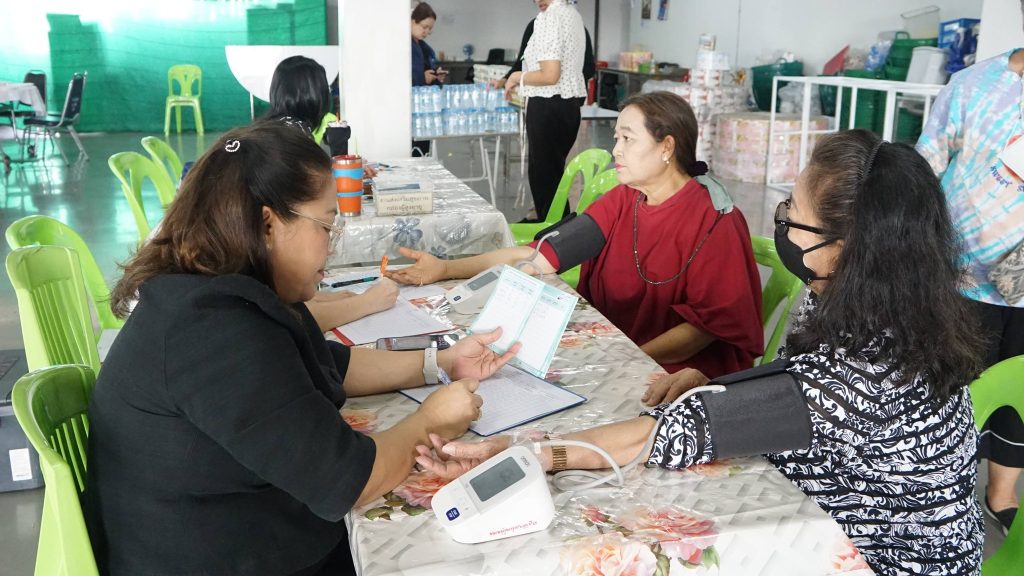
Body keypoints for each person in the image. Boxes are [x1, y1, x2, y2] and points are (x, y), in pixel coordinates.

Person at [418, 130, 987, 576]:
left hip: (881, 561)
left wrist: (523, 453)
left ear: (843, 249)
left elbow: (670, 432)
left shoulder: (861, 374)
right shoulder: (888, 303)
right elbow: (798, 389)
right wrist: (730, 389)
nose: (783, 221)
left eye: (794, 215)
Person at [84, 123, 520, 575]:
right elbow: (351, 481)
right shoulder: (213, 331)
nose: (331, 247)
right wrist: (432, 420)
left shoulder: (218, 292)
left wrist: (444, 362)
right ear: (268, 224)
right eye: (327, 226)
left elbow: (328, 363)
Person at [389, 92, 763, 380]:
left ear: (666, 146)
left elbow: (702, 330)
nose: (616, 149)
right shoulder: (624, 199)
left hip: (677, 372)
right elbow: (537, 257)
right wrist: (446, 269)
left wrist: (625, 358)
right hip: (616, 352)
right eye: (617, 137)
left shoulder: (716, 220)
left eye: (628, 139)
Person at [916, 43, 1024, 536]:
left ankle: (1001, 493)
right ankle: (944, 487)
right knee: (951, 390)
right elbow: (926, 167)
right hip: (960, 277)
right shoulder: (972, 86)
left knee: (1020, 392)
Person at [263, 55, 393, 329]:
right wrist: (369, 302)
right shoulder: (295, 140)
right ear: (317, 95)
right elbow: (295, 320)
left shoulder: (273, 131)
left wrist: (331, 299)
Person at [506, 0, 588, 222]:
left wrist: (517, 77)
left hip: (547, 105)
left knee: (545, 182)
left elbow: (550, 75)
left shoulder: (549, 18)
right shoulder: (573, 16)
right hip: (569, 106)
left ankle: (555, 236)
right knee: (554, 180)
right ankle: (561, 233)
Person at [411, 2, 445, 156]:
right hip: (412, 109)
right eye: (424, 27)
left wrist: (436, 76)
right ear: (413, 21)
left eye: (430, 29)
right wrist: (422, 78)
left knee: (424, 151)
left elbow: (427, 69)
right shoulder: (404, 47)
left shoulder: (424, 48)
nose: (427, 32)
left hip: (425, 107)